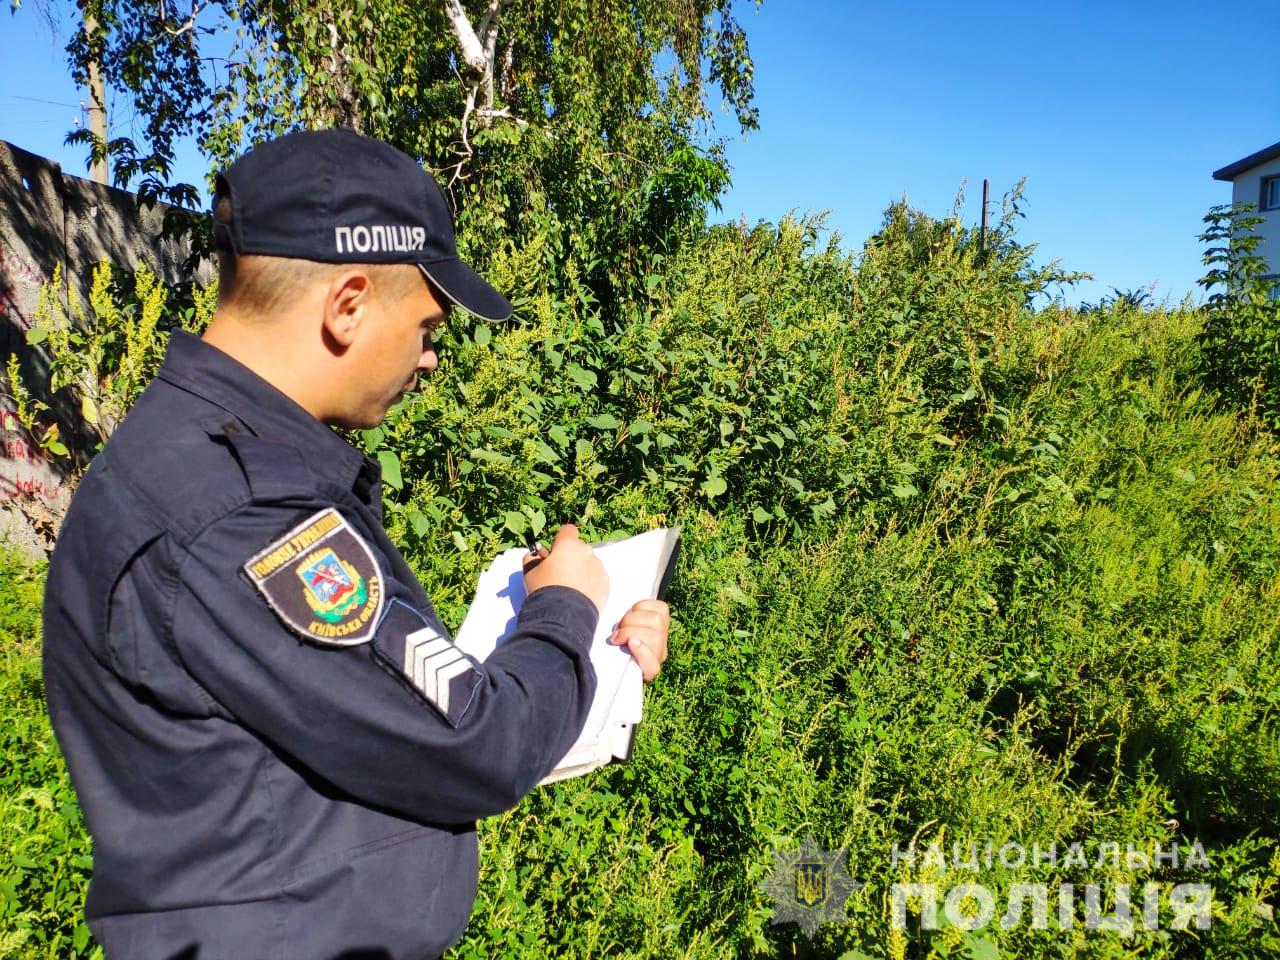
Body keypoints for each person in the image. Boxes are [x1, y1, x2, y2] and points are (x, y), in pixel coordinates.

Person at [42, 128, 670, 960]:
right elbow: (475, 745)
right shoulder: (245, 518)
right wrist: (564, 609)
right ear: (347, 305)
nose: (431, 359)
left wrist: (588, 656)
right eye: (427, 326)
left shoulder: (204, 463)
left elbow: (375, 727)